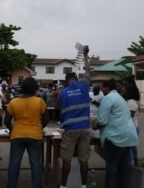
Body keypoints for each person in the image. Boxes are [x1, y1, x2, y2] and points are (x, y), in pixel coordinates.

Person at [55, 46, 91, 188]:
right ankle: (83, 186)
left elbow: (57, 111)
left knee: (67, 159)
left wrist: (62, 124)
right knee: (83, 160)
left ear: (65, 82)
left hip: (69, 131)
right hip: (85, 129)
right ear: (76, 79)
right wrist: (86, 56)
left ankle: (63, 186)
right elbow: (88, 70)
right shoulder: (84, 86)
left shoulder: (63, 93)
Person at [4, 77, 49, 188]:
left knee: (14, 163)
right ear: (35, 89)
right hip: (35, 136)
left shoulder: (14, 102)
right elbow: (47, 118)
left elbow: (6, 121)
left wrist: (12, 129)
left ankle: (11, 186)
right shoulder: (39, 101)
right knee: (35, 164)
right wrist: (39, 127)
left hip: (17, 135)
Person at [92, 78, 138, 188]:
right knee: (124, 167)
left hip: (116, 137)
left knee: (111, 166)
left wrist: (94, 127)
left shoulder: (108, 98)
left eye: (103, 88)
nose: (102, 90)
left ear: (107, 88)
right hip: (128, 136)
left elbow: (102, 121)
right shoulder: (120, 98)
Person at [121, 83, 140, 166]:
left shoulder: (131, 103)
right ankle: (132, 164)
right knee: (131, 147)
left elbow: (129, 117)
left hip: (132, 128)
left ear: (129, 93)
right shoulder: (128, 102)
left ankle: (132, 165)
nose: (122, 93)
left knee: (130, 147)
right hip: (131, 128)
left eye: (123, 92)